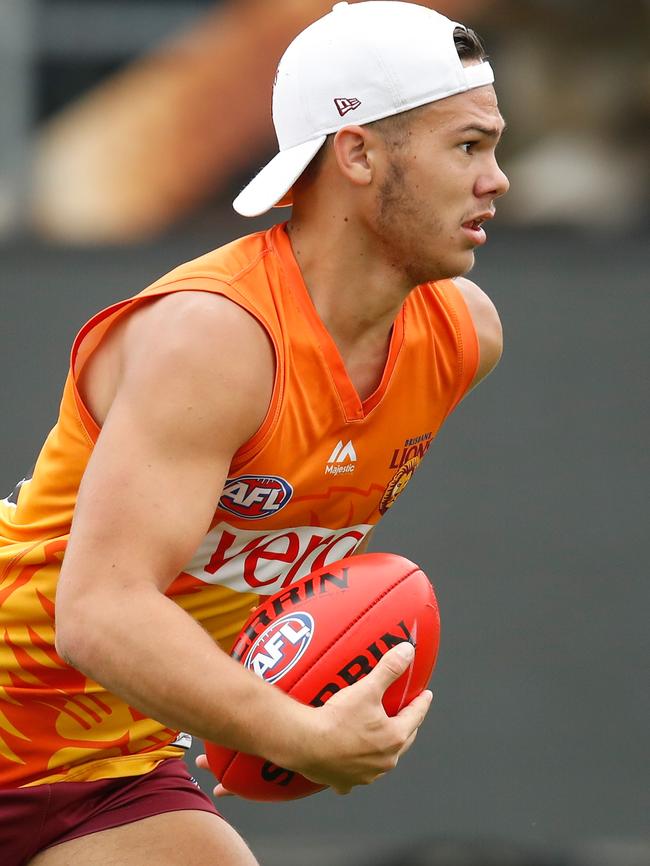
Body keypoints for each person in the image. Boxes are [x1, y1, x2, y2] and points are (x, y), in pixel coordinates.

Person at [0, 2, 508, 864]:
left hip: (110, 767)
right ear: (356, 151)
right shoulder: (218, 336)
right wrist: (291, 730)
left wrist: (244, 708)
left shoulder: (466, 338)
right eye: (468, 146)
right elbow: (100, 612)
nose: (497, 179)